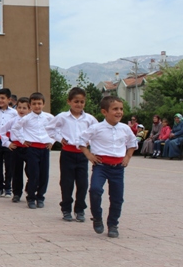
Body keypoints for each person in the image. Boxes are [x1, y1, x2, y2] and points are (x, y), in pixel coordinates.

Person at [78, 96, 137, 238]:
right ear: (104, 112)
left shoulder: (125, 129)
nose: (119, 112)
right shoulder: (96, 128)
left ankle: (113, 224)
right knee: (95, 190)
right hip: (101, 166)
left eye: (121, 109)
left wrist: (127, 157)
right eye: (115, 109)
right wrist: (89, 154)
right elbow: (81, 141)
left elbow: (132, 143)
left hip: (118, 168)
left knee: (117, 198)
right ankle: (97, 217)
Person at [46, 87, 98, 222]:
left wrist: (89, 142)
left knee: (82, 183)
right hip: (68, 153)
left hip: (82, 155)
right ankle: (66, 209)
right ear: (69, 101)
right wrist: (59, 138)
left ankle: (80, 209)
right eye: (76, 101)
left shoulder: (89, 119)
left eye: (82, 102)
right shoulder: (62, 117)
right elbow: (49, 128)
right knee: (66, 182)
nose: (79, 105)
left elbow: (97, 132)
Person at [11, 92, 54, 209]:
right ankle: (31, 198)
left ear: (43, 104)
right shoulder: (26, 118)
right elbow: (15, 128)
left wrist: (52, 141)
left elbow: (57, 128)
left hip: (44, 148)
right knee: (33, 173)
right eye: (34, 104)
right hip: (32, 149)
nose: (37, 106)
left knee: (44, 174)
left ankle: (40, 197)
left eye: (39, 103)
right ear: (30, 105)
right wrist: (22, 140)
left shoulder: (49, 117)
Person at [1, 97, 31, 203]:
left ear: (29, 109)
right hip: (16, 148)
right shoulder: (12, 121)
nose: (21, 110)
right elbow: (2, 131)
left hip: (29, 148)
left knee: (31, 171)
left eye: (24, 108)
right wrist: (7, 143)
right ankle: (17, 193)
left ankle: (30, 187)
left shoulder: (31, 121)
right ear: (16, 108)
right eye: (19, 107)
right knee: (16, 171)